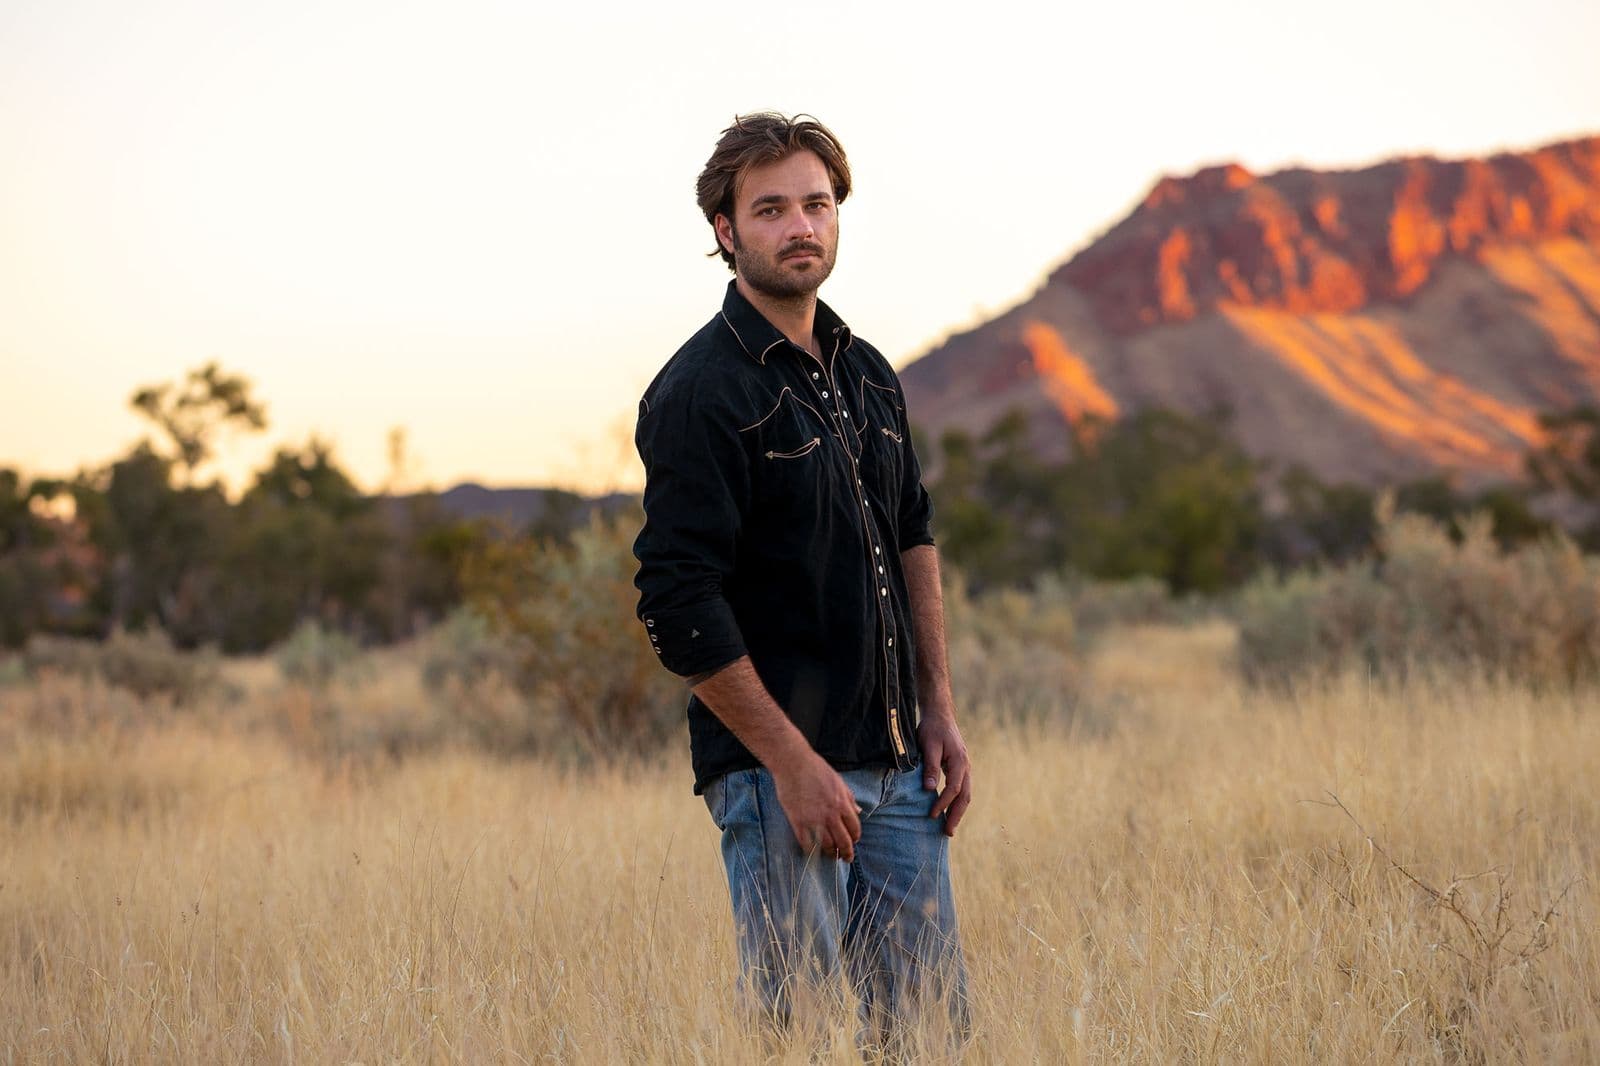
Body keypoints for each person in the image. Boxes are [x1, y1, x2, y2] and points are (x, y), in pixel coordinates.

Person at [631, 112, 972, 1054]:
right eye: (771, 208)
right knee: (804, 1040)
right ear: (726, 232)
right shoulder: (703, 390)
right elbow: (675, 602)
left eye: (816, 203)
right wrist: (789, 763)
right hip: (782, 781)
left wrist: (935, 707)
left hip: (902, 772)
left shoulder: (867, 373)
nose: (800, 226)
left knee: (930, 1038)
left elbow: (912, 536)